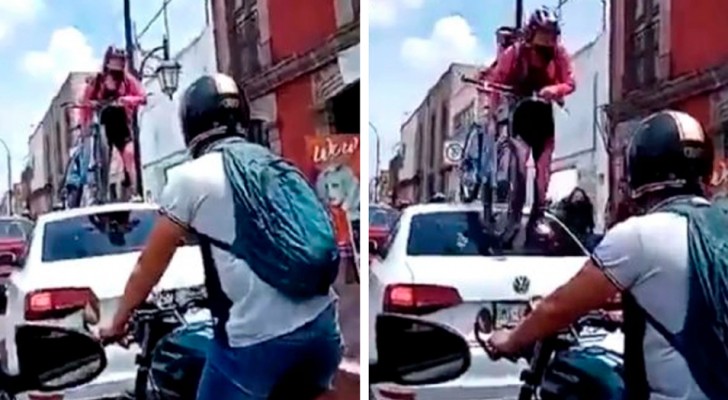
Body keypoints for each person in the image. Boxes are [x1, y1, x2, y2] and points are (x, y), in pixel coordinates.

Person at [98, 73, 342, 400]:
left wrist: (117, 321)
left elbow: (148, 267)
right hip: (323, 332)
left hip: (256, 343)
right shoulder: (273, 164)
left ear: (191, 124)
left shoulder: (189, 180)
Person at [485, 110, 720, 399]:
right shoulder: (718, 227)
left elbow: (557, 308)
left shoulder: (640, 235)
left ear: (639, 170)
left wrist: (510, 339)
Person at [486, 6, 575, 227]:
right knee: (520, 161)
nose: (547, 41)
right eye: (543, 34)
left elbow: (570, 82)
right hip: (520, 111)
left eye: (551, 36)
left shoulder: (559, 54)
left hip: (543, 112)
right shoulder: (514, 53)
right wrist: (492, 115)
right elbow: (497, 83)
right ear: (531, 33)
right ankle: (514, 209)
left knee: (544, 167)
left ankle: (538, 214)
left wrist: (554, 91)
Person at [80, 46, 146, 200]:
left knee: (130, 155)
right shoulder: (97, 81)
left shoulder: (127, 80)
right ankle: (99, 193)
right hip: (102, 124)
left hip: (121, 123)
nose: (117, 66)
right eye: (115, 61)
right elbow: (84, 104)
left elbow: (142, 97)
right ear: (107, 62)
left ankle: (135, 192)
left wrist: (126, 100)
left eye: (120, 62)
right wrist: (85, 124)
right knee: (101, 160)